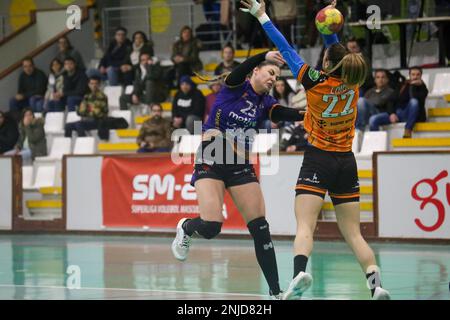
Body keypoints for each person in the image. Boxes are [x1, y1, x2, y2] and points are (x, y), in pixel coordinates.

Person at [241, 0, 390, 300]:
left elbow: (284, 48)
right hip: (346, 163)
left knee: (305, 226)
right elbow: (335, 52)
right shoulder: (354, 82)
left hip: (318, 160)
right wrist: (329, 23)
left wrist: (262, 16)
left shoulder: (314, 82)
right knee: (353, 233)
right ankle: (376, 287)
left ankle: (299, 275)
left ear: (324, 64)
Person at [171, 49, 305, 300]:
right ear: (256, 71)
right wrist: (264, 54)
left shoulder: (264, 102)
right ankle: (187, 227)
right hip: (211, 156)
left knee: (261, 227)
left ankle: (275, 292)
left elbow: (280, 113)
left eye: (276, 78)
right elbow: (239, 71)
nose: (273, 80)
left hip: (240, 164)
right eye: (270, 73)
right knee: (211, 227)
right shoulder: (234, 87)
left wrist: (307, 114)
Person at [369, 66, 429, 138]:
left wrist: (415, 86)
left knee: (414, 102)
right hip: (398, 114)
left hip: (412, 116)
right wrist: (392, 113)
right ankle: (376, 143)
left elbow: (417, 100)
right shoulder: (402, 85)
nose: (415, 77)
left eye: (417, 74)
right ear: (409, 75)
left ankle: (408, 130)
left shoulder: (423, 89)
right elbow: (391, 100)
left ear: (421, 76)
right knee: (373, 119)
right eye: (413, 74)